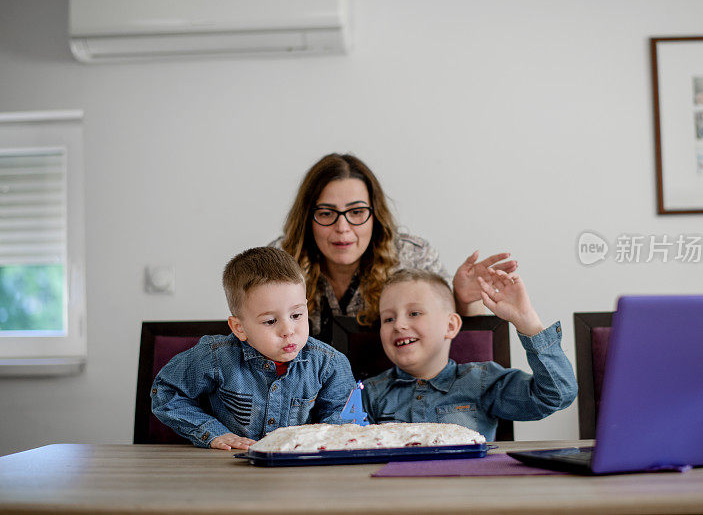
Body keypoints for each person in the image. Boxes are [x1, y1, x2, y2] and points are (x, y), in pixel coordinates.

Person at [271, 152, 517, 343]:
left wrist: (464, 301)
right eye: (326, 213)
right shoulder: (279, 263)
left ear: (375, 215)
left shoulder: (414, 257)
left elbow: (460, 346)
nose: (343, 228)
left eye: (356, 212)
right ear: (307, 218)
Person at [151, 247, 356, 450]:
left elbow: (342, 422)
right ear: (239, 328)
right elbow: (166, 391)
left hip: (298, 472)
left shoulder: (330, 364)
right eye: (270, 321)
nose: (288, 330)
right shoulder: (216, 356)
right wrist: (212, 432)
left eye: (296, 315)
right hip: (228, 469)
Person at [361, 267, 578, 441]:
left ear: (450, 325)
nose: (398, 324)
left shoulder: (482, 381)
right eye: (388, 318)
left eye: (414, 313)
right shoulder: (369, 394)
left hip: (468, 493)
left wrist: (527, 322)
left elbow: (557, 395)